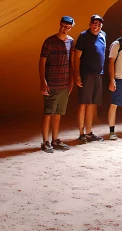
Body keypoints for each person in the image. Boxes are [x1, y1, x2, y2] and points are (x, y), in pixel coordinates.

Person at [39, 16, 75, 153]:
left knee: (58, 113)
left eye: (68, 26)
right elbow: (42, 62)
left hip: (64, 83)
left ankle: (55, 139)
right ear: (60, 24)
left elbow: (70, 62)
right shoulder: (49, 42)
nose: (66, 28)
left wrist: (71, 80)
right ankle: (45, 141)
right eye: (64, 25)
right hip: (51, 82)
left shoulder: (70, 42)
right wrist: (43, 81)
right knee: (48, 112)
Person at [72, 14, 106, 144]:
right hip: (86, 74)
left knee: (92, 104)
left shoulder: (103, 35)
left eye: (99, 24)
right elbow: (77, 58)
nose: (96, 26)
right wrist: (77, 75)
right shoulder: (84, 36)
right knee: (83, 103)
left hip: (98, 74)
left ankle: (89, 132)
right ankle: (81, 133)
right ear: (90, 23)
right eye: (94, 23)